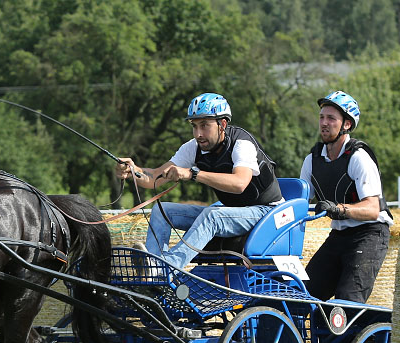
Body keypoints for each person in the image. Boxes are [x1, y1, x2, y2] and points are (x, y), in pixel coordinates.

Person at [115, 92, 283, 269]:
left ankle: (165, 268)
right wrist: (134, 171)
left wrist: (193, 174)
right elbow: (155, 177)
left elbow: (239, 183)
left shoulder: (241, 144)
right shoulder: (193, 148)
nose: (198, 134)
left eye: (204, 125)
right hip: (232, 212)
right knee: (161, 210)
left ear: (222, 124)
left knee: (212, 215)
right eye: (194, 126)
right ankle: (152, 271)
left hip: (266, 212)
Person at [299, 90, 393, 303]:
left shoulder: (359, 158)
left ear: (347, 125)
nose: (324, 123)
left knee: (347, 301)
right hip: (339, 236)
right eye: (322, 117)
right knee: (301, 296)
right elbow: (299, 202)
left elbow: (372, 209)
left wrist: (338, 209)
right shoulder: (311, 160)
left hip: (369, 235)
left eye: (331, 118)